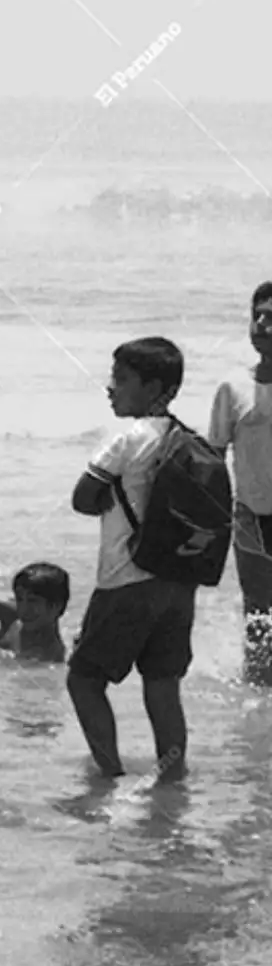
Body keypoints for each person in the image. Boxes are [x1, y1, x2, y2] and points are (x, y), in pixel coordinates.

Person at [67, 337, 192, 781]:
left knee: (84, 679)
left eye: (121, 379)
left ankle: (110, 775)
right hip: (178, 585)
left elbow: (82, 498)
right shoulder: (187, 439)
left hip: (126, 581)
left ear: (154, 387)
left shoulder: (126, 439)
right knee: (162, 684)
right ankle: (172, 779)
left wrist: (104, 499)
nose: (110, 387)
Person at [207, 281, 272, 685]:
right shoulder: (233, 388)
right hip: (251, 515)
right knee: (259, 614)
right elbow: (213, 459)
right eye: (257, 316)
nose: (262, 326)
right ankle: (259, 698)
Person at [0, 562, 70, 662]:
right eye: (19, 599)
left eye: (33, 601)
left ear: (56, 606)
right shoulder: (13, 615)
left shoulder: (49, 656)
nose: (24, 608)